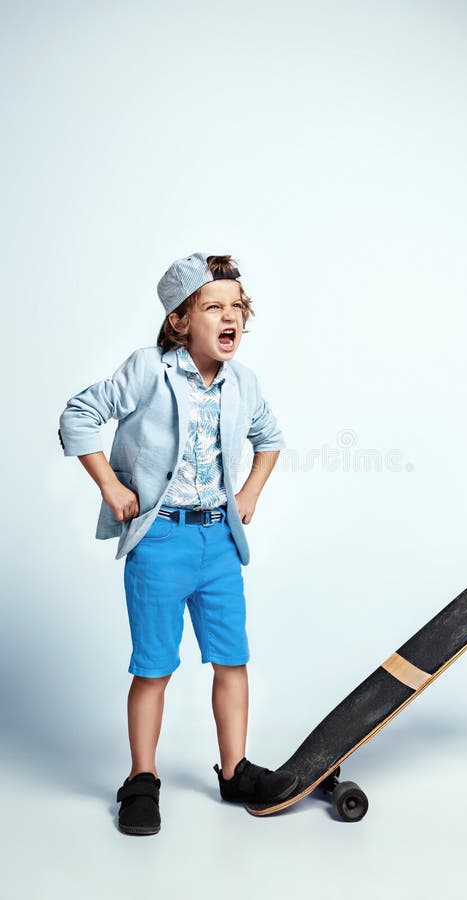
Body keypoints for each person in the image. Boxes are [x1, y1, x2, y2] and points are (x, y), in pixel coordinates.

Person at [58, 251, 298, 835]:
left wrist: (249, 495)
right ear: (180, 321)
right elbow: (78, 416)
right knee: (155, 666)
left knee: (232, 660)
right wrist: (111, 485)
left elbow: (270, 438)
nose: (229, 317)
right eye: (212, 306)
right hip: (160, 540)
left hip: (219, 541)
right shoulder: (149, 368)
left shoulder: (243, 381)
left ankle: (236, 771)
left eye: (237, 306)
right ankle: (142, 779)